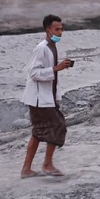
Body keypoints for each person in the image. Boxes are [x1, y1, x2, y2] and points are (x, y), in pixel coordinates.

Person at [20, 14, 72, 178]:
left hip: (45, 97)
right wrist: (56, 69)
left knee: (38, 132)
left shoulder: (51, 47)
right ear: (47, 30)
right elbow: (34, 73)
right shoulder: (42, 48)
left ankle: (27, 169)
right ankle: (47, 164)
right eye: (57, 29)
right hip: (38, 99)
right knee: (58, 125)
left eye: (61, 29)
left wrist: (58, 68)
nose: (60, 32)